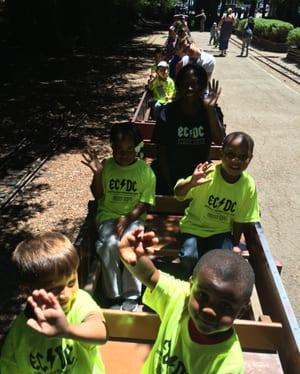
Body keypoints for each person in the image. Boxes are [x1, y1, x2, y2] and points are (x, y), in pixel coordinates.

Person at [118, 228, 255, 374]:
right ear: (191, 287)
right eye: (202, 296)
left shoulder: (227, 367)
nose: (209, 311)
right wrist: (134, 258)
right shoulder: (180, 299)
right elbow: (151, 275)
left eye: (225, 306)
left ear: (241, 311)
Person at [0, 232, 117, 374]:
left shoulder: (79, 303)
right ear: (27, 290)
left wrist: (67, 330)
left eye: (71, 282)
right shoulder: (19, 333)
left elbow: (101, 332)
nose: (66, 295)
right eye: (54, 289)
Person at [82, 122, 156, 311]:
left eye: (129, 149)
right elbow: (98, 195)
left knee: (129, 245)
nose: (124, 154)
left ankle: (131, 294)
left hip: (132, 218)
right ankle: (113, 294)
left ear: (136, 148)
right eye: (119, 150)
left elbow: (145, 202)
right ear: (112, 147)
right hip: (107, 216)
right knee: (108, 245)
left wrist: (127, 218)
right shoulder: (106, 166)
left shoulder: (145, 171)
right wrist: (98, 173)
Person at [174, 132, 260, 278]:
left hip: (220, 231)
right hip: (194, 227)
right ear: (221, 154)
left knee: (221, 261)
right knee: (189, 257)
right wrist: (191, 183)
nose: (235, 160)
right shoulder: (207, 174)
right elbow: (178, 194)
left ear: (250, 159)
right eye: (230, 154)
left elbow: (241, 218)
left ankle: (209, 287)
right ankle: (189, 283)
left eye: (243, 157)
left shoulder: (248, 185)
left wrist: (235, 244)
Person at [152, 63, 225, 195]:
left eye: (194, 84)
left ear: (202, 86)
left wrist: (210, 110)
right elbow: (161, 152)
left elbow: (220, 140)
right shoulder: (168, 112)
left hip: (199, 172)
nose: (189, 88)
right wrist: (170, 184)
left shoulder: (211, 110)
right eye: (185, 84)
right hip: (171, 173)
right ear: (179, 86)